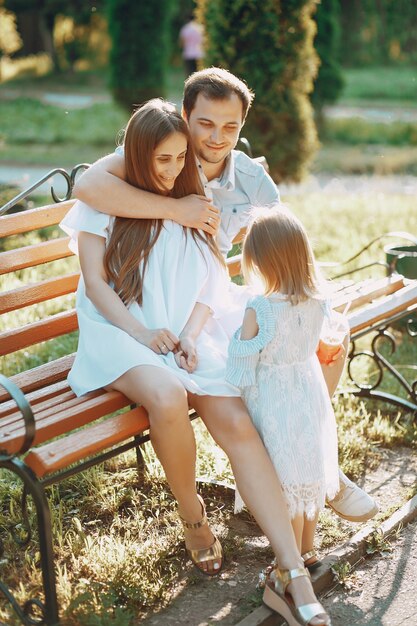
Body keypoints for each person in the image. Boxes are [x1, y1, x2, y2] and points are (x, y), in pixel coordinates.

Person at [73, 67, 378, 526]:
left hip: (214, 295)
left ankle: (316, 467)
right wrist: (177, 208)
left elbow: (283, 252)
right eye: (206, 124)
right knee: (266, 356)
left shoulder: (252, 181)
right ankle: (294, 474)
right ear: (185, 116)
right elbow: (87, 187)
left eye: (231, 127)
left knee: (327, 345)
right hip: (169, 305)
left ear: (242, 126)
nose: (217, 138)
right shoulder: (160, 154)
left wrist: (309, 310)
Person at [68, 101, 332, 626]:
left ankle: (291, 570)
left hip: (179, 332)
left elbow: (212, 279)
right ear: (136, 156)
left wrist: (189, 334)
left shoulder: (197, 200)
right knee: (168, 394)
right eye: (160, 160)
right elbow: (95, 284)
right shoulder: (108, 201)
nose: (169, 171)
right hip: (118, 331)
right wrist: (143, 333)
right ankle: (193, 517)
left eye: (178, 158)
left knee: (236, 420)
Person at [226, 207, 342, 626]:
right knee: (306, 468)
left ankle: (284, 564)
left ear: (260, 259)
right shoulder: (317, 300)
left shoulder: (261, 308)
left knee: (282, 478)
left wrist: (235, 343)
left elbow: (242, 367)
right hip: (307, 392)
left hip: (273, 398)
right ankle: (307, 550)